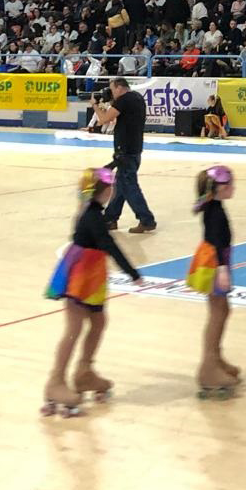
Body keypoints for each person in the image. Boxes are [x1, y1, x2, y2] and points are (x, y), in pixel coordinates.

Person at [42, 168, 145, 416]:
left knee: (98, 322)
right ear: (106, 191)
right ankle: (55, 381)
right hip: (80, 276)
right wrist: (133, 273)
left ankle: (84, 372)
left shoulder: (92, 212)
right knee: (74, 328)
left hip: (92, 275)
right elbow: (109, 245)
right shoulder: (92, 216)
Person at [186, 166, 238, 398]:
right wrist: (222, 269)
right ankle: (208, 368)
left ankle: (216, 359)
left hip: (216, 261)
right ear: (220, 188)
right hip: (214, 263)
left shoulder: (214, 206)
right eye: (231, 184)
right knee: (217, 313)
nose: (234, 188)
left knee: (222, 311)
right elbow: (217, 241)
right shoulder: (215, 212)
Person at [95, 77, 156, 234]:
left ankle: (146, 219)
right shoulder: (137, 98)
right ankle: (110, 219)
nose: (112, 93)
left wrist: (95, 105)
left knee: (129, 186)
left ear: (119, 87)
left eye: (112, 89)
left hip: (125, 151)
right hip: (135, 148)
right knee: (121, 186)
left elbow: (103, 120)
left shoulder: (123, 100)